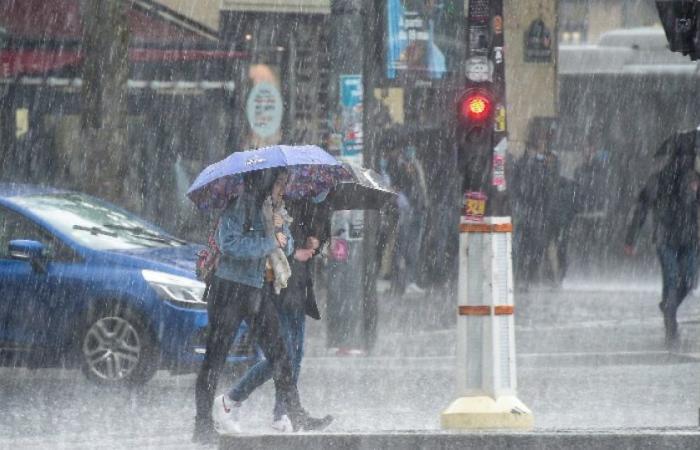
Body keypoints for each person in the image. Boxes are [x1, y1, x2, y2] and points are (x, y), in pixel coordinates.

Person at [193, 169, 324, 443]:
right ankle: (202, 423)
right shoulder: (240, 205)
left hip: (255, 290)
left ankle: (295, 412)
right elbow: (229, 244)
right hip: (228, 289)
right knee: (215, 359)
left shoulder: (271, 208)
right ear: (265, 183)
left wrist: (279, 230)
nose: (283, 188)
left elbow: (284, 247)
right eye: (279, 183)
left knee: (280, 353)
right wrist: (269, 240)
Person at [224, 192, 333, 433]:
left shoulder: (315, 201)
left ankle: (282, 413)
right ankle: (236, 400)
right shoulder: (273, 203)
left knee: (295, 354)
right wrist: (295, 251)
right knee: (283, 356)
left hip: (299, 287)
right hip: (279, 287)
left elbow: (296, 238)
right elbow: (275, 243)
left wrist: (318, 242)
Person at [624, 129, 700, 350]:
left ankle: (669, 310)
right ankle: (670, 324)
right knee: (674, 280)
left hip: (689, 239)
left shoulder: (692, 179)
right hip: (668, 238)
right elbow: (642, 207)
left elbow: (642, 208)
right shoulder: (660, 179)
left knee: (685, 281)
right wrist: (631, 238)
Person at [391, 145, 428, 295]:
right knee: (404, 246)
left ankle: (409, 282)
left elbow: (420, 188)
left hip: (417, 209)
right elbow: (398, 189)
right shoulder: (399, 168)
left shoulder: (415, 166)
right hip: (409, 210)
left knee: (412, 247)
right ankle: (403, 283)